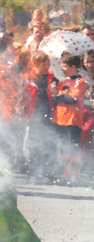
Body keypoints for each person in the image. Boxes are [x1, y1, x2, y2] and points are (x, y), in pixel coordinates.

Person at [52, 53, 86, 185]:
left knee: (73, 147)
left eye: (64, 66)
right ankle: (65, 174)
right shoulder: (63, 81)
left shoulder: (80, 82)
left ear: (73, 66)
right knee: (63, 148)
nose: (62, 69)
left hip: (73, 119)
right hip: (60, 119)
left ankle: (75, 176)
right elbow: (56, 97)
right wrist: (54, 86)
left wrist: (57, 94)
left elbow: (72, 100)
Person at [23, 51, 58, 183]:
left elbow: (58, 94)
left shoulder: (53, 78)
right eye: (43, 64)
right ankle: (32, 172)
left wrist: (55, 93)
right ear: (35, 64)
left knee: (49, 145)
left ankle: (47, 174)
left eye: (48, 64)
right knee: (34, 145)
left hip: (50, 115)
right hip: (33, 116)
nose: (46, 66)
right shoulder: (28, 78)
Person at [80, 49, 94, 178]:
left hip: (92, 110)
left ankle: (88, 163)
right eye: (87, 62)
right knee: (82, 136)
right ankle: (83, 162)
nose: (90, 64)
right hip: (81, 107)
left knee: (87, 131)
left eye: (92, 61)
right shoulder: (80, 75)